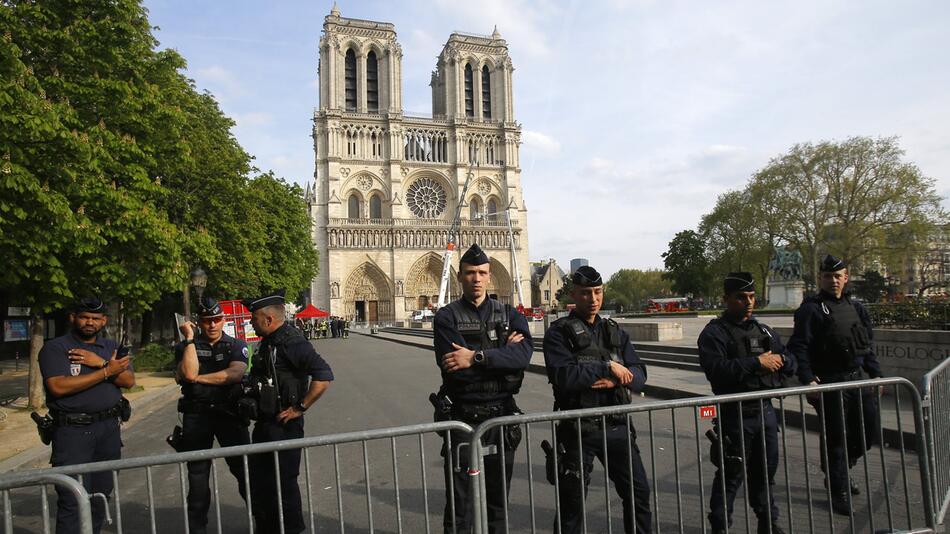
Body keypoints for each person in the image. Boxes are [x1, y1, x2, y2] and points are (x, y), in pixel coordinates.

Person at [543, 265, 652, 534]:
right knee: (572, 506)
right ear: (573, 294)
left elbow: (640, 374)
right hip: (579, 429)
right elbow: (563, 376)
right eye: (585, 293)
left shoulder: (614, 331)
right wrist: (607, 368)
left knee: (639, 495)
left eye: (598, 292)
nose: (593, 299)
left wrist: (616, 377)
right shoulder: (559, 333)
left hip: (617, 426)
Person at [433, 243, 533, 534]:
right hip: (463, 419)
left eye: (482, 272)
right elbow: (455, 373)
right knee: (460, 506)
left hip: (500, 419)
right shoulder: (446, 317)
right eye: (470, 273)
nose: (476, 278)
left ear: (490, 276)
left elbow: (523, 357)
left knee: (497, 503)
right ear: (459, 276)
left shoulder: (509, 313)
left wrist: (475, 357)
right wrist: (502, 356)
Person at [697, 272, 795, 534]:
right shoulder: (714, 333)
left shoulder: (763, 330)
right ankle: (720, 526)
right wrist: (757, 363)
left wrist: (780, 362)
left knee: (765, 474)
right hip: (735, 416)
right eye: (742, 297)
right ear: (726, 299)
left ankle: (768, 522)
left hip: (765, 413)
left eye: (751, 297)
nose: (749, 302)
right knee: (731, 476)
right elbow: (716, 370)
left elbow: (790, 361)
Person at [788, 254, 883, 515]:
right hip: (829, 382)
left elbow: (866, 344)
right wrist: (808, 378)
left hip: (856, 379)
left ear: (846, 277)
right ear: (820, 278)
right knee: (837, 438)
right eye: (828, 276)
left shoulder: (857, 308)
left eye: (837, 276)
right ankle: (838, 488)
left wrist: (876, 374)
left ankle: (838, 468)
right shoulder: (811, 309)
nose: (833, 281)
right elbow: (799, 346)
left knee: (868, 432)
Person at [39, 296, 135, 534]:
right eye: (84, 317)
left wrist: (102, 363)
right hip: (73, 433)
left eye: (95, 318)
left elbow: (129, 381)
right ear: (73, 318)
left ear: (103, 321)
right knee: (73, 499)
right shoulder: (56, 348)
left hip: (108, 430)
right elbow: (58, 386)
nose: (89, 322)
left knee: (101, 496)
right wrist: (106, 372)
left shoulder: (111, 348)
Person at [244, 289, 334, 534]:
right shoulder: (269, 342)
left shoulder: (291, 342)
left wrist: (300, 407)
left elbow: (323, 375)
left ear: (269, 319)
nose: (251, 323)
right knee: (263, 485)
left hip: (283, 428)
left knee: (283, 487)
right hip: (265, 424)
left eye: (254, 319)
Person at [174, 297, 251, 534]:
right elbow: (186, 372)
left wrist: (196, 379)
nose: (212, 325)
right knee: (197, 478)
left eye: (217, 320)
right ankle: (198, 529)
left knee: (244, 472)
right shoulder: (186, 347)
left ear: (223, 320)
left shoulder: (236, 345)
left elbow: (234, 374)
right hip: (197, 417)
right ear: (199, 322)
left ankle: (264, 520)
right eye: (207, 321)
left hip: (229, 414)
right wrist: (188, 340)